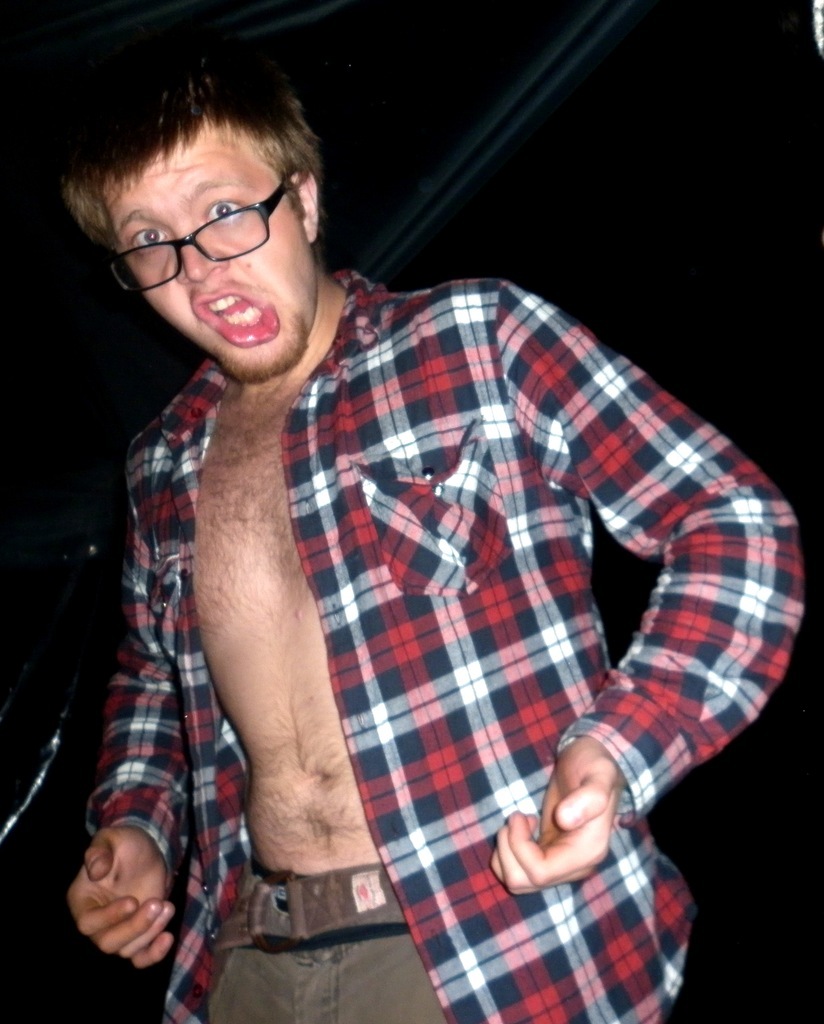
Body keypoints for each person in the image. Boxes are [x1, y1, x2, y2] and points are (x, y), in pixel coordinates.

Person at [62, 27, 803, 1024]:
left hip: (494, 945)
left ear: (304, 200)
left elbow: (729, 519)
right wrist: (137, 824)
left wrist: (619, 748)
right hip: (245, 958)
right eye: (150, 241)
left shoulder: (476, 341)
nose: (198, 271)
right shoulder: (160, 462)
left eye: (225, 212)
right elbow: (153, 678)